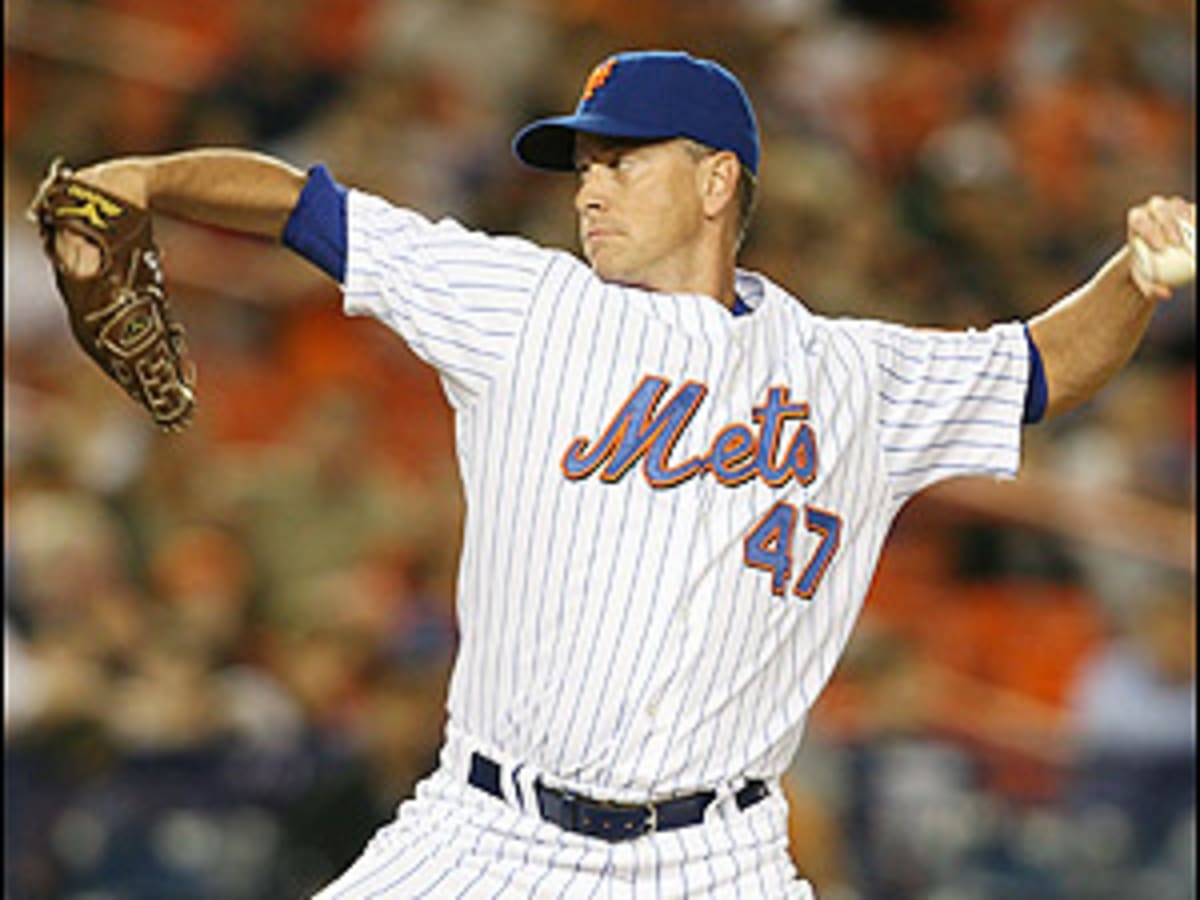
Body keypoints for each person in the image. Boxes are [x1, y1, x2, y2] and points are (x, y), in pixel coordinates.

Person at [47, 50, 1194, 899]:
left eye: (620, 160)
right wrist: (146, 176)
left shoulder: (852, 377)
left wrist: (1133, 283)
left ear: (715, 184)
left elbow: (1040, 367)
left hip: (716, 857)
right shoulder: (521, 306)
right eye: (581, 164)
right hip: (486, 834)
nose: (587, 187)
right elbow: (307, 206)